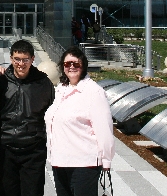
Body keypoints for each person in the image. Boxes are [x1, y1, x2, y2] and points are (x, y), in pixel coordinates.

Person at [44, 46, 115, 196]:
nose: (71, 67)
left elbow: (105, 130)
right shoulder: (61, 89)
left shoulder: (94, 92)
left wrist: (106, 160)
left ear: (83, 66)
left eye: (76, 64)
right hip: (59, 162)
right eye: (67, 64)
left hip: (84, 164)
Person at [0, 39, 55, 196]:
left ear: (32, 59)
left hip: (33, 151)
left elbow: (56, 110)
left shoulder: (43, 82)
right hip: (5, 150)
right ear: (11, 58)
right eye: (17, 59)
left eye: (25, 59)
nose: (21, 64)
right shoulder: (0, 80)